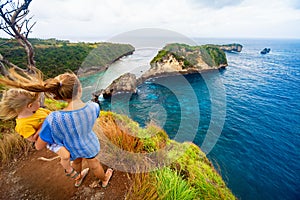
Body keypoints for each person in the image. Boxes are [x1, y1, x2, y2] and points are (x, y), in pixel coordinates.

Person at [0, 70, 113, 188]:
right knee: (94, 164)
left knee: (76, 161)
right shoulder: (94, 107)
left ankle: (78, 178)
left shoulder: (54, 118)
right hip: (89, 144)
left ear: (58, 97)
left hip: (71, 147)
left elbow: (38, 146)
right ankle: (104, 179)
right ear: (80, 89)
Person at [0, 88, 88, 187]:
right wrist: (44, 126)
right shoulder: (22, 125)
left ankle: (78, 172)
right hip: (52, 142)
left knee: (76, 150)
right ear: (29, 106)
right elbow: (33, 139)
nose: (40, 102)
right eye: (37, 101)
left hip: (60, 134)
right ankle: (68, 170)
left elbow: (52, 116)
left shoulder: (39, 111)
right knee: (65, 155)